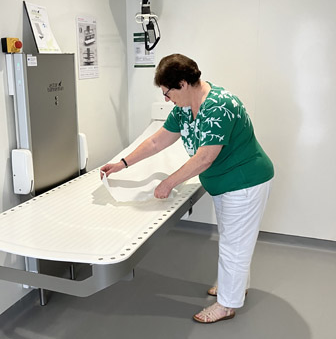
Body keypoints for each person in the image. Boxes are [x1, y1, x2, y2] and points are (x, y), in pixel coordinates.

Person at [100, 53, 274, 323]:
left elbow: (205, 157)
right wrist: (123, 163)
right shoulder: (184, 106)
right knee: (235, 239)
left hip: (244, 182)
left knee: (234, 245)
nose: (166, 100)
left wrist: (169, 182)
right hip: (225, 183)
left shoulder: (219, 105)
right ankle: (235, 287)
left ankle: (226, 305)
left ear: (182, 83)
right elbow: (158, 141)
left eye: (167, 93)